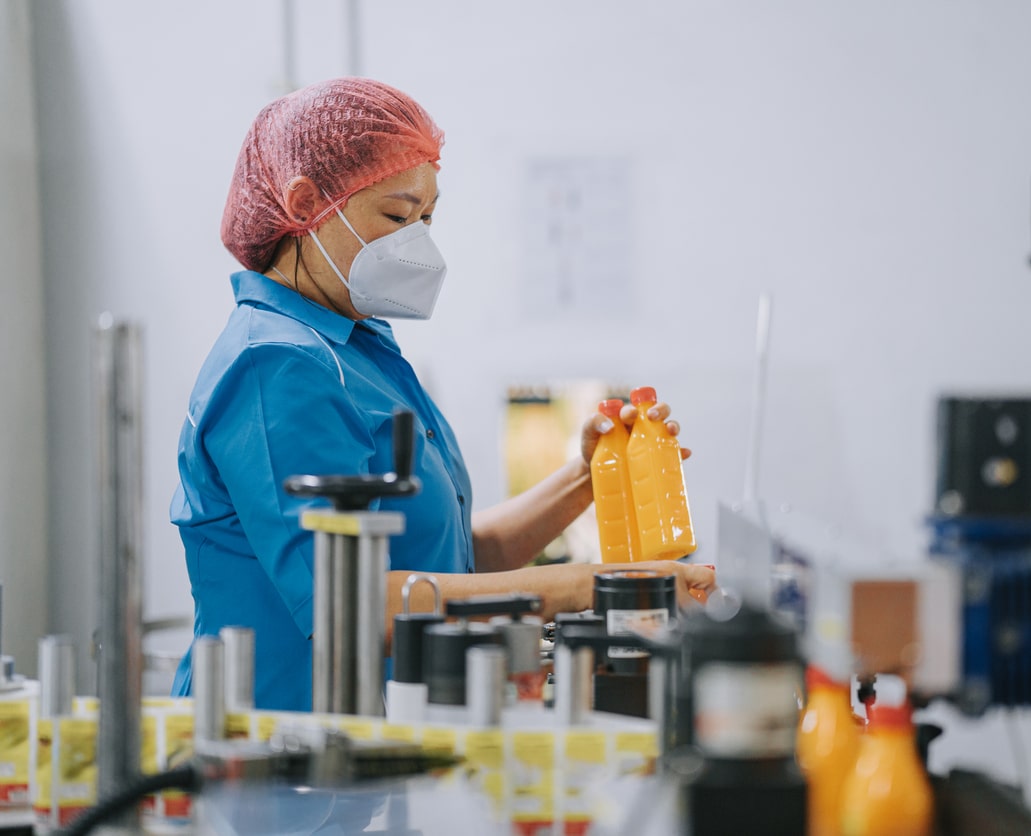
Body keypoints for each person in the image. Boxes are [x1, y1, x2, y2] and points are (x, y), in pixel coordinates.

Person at [170, 77, 714, 711]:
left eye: (426, 218)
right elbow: (349, 606)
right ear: (303, 202)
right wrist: (595, 586)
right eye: (398, 216)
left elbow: (451, 557)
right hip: (274, 742)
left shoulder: (358, 347)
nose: (417, 242)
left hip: (370, 736)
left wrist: (587, 480)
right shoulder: (276, 366)